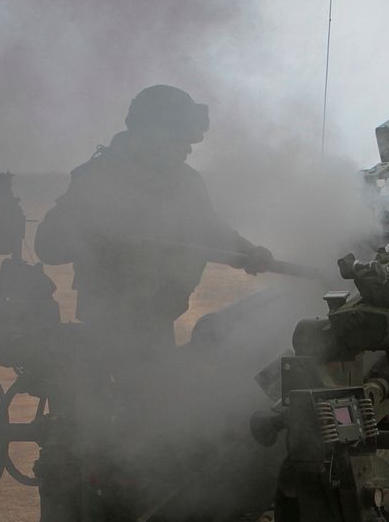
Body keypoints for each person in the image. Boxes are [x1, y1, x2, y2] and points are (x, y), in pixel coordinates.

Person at [35, 84, 273, 359]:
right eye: (180, 140)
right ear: (153, 136)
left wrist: (249, 253)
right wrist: (98, 240)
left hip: (156, 325)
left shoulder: (185, 183)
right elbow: (47, 245)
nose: (187, 149)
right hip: (103, 330)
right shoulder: (98, 179)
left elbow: (210, 232)